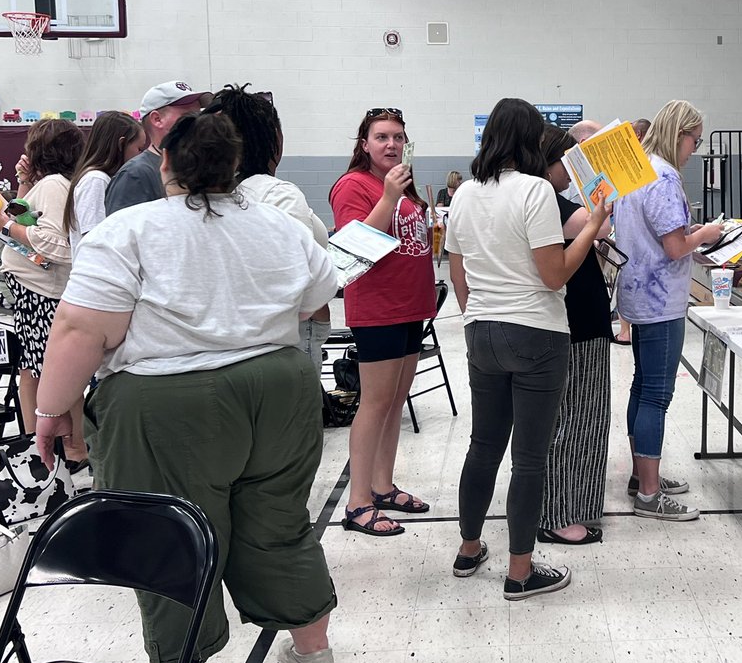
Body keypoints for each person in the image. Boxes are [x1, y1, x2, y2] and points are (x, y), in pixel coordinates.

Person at [32, 108, 339, 663]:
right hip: (279, 388)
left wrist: (51, 411)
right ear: (233, 166)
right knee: (277, 522)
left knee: (168, 534)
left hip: (165, 402)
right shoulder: (279, 224)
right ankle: (314, 649)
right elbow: (316, 299)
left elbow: (78, 329)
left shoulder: (129, 230)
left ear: (164, 161)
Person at [445, 98, 609, 599]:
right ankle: (520, 572)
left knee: (483, 446)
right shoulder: (535, 190)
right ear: (530, 141)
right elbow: (554, 272)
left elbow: (458, 277)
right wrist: (595, 223)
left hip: (481, 330)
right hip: (536, 332)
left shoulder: (465, 193)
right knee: (530, 458)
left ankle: (469, 549)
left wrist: (482, 314)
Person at [614, 100, 722, 521]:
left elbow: (661, 233)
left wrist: (689, 233)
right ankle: (650, 494)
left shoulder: (639, 170)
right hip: (660, 300)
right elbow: (675, 246)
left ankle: (642, 476)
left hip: (640, 292)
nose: (694, 149)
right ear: (680, 134)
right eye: (694, 140)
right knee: (656, 395)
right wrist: (708, 233)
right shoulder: (662, 176)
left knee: (642, 387)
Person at [329, 108, 435, 536]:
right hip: (379, 310)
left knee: (395, 401)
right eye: (382, 137)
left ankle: (383, 485)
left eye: (398, 137)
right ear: (364, 144)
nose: (391, 144)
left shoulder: (400, 185)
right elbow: (351, 247)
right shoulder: (354, 185)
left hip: (410, 307)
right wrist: (389, 198)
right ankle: (357, 503)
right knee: (374, 403)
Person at [0, 118, 88, 467]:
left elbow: (57, 246)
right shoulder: (47, 185)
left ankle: (72, 446)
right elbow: (21, 217)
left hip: (43, 292)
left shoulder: (54, 186)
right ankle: (43, 446)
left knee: (57, 371)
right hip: (34, 289)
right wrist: (21, 183)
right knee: (34, 370)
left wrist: (5, 225)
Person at [217, 84, 332, 369]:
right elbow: (295, 278)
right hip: (285, 338)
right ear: (275, 139)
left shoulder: (213, 196)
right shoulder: (278, 193)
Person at [536, 127, 613, 544]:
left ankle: (570, 504)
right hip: (576, 324)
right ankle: (559, 512)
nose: (572, 170)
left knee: (581, 418)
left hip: (578, 320)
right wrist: (604, 172)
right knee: (577, 420)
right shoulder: (549, 200)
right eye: (570, 160)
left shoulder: (547, 198)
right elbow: (596, 225)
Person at [105, 80, 206, 215]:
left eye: (199, 114)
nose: (198, 121)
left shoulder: (198, 165)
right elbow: (121, 232)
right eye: (188, 115)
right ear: (157, 119)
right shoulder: (135, 175)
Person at [63, 111, 148, 258]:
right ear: (121, 144)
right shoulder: (96, 180)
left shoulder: (105, 179)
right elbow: (95, 239)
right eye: (139, 149)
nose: (141, 156)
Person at [614, 117, 654, 346]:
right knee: (631, 277)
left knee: (627, 277)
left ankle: (626, 330)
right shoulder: (646, 165)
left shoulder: (635, 165)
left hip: (630, 233)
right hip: (635, 234)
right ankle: (628, 329)